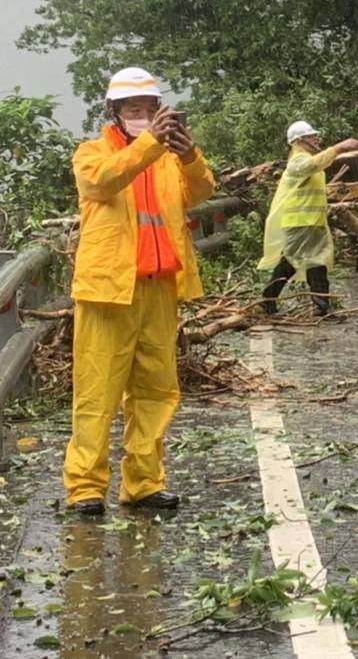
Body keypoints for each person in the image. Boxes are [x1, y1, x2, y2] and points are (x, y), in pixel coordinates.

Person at [64, 67, 215, 517]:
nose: (146, 117)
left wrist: (189, 156)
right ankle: (85, 487)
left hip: (158, 289)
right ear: (114, 113)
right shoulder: (91, 153)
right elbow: (102, 182)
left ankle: (145, 483)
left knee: (155, 391)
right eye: (135, 110)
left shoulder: (167, 159)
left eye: (152, 110)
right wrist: (151, 145)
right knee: (97, 393)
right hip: (108, 292)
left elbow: (202, 192)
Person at [258, 121, 358, 317]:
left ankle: (321, 307)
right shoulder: (298, 160)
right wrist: (339, 147)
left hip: (311, 222)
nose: (316, 139)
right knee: (290, 261)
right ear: (299, 140)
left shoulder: (306, 159)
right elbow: (313, 164)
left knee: (317, 261)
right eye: (312, 136)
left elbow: (318, 165)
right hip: (300, 222)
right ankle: (268, 300)